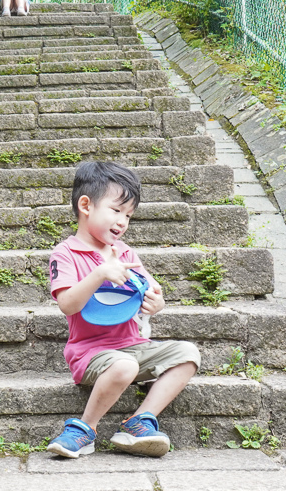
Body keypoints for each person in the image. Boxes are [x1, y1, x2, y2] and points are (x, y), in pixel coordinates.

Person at [46, 161, 200, 459]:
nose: (122, 221)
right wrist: (100, 273)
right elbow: (67, 304)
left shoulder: (126, 253)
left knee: (187, 354)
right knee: (124, 366)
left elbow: (151, 289)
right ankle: (84, 430)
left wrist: (156, 302)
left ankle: (139, 421)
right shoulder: (65, 253)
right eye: (116, 210)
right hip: (91, 353)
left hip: (134, 345)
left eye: (128, 215)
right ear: (86, 205)